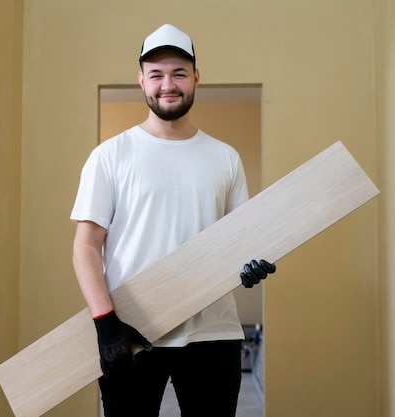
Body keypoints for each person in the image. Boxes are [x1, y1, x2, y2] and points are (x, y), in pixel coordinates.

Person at [70, 23, 276, 417]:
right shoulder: (110, 156)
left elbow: (243, 240)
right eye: (157, 74)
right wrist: (105, 323)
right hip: (130, 333)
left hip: (213, 333)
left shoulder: (225, 158)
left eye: (179, 73)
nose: (169, 84)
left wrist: (250, 265)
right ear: (141, 81)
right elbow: (85, 246)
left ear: (196, 77)